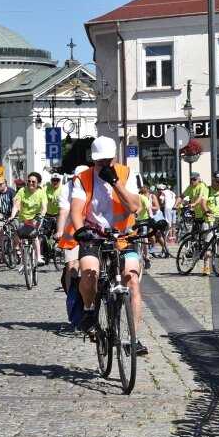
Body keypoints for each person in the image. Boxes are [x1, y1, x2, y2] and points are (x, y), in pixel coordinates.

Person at [68, 136, 147, 355]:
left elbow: (134, 207)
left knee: (132, 282)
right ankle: (88, 308)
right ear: (93, 159)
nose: (103, 164)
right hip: (94, 236)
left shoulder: (127, 174)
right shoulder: (82, 178)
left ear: (115, 156)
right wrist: (80, 231)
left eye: (107, 160)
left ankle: (133, 338)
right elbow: (76, 209)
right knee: (90, 271)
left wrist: (115, 182)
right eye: (99, 161)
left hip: (123, 237)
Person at [56, 165, 92, 292]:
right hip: (72, 233)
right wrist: (60, 230)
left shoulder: (94, 183)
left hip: (93, 231)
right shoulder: (67, 188)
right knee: (72, 264)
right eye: (77, 178)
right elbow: (63, 211)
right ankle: (72, 297)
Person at [9, 171, 48, 266]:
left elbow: (44, 207)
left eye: (33, 182)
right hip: (23, 218)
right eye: (29, 181)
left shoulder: (41, 193)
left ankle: (38, 257)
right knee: (22, 239)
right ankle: (24, 261)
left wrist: (42, 214)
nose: (30, 183)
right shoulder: (22, 191)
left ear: (38, 183)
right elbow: (16, 205)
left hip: (36, 218)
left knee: (34, 236)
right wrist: (12, 216)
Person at [197, 171, 219, 275]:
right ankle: (206, 267)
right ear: (213, 180)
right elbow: (203, 203)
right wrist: (206, 211)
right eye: (218, 181)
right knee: (208, 245)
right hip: (210, 220)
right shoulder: (207, 190)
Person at [0, 176, 18, 264]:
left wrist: (13, 215)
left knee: (16, 228)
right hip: (0, 213)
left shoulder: (11, 191)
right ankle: (2, 254)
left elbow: (15, 204)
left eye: (1, 184)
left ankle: (17, 248)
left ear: (5, 184)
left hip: (11, 212)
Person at [136, 186, 154, 267]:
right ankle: (147, 257)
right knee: (145, 238)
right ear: (146, 192)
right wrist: (151, 216)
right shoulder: (144, 198)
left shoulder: (136, 196)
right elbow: (148, 208)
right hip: (143, 220)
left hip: (134, 220)